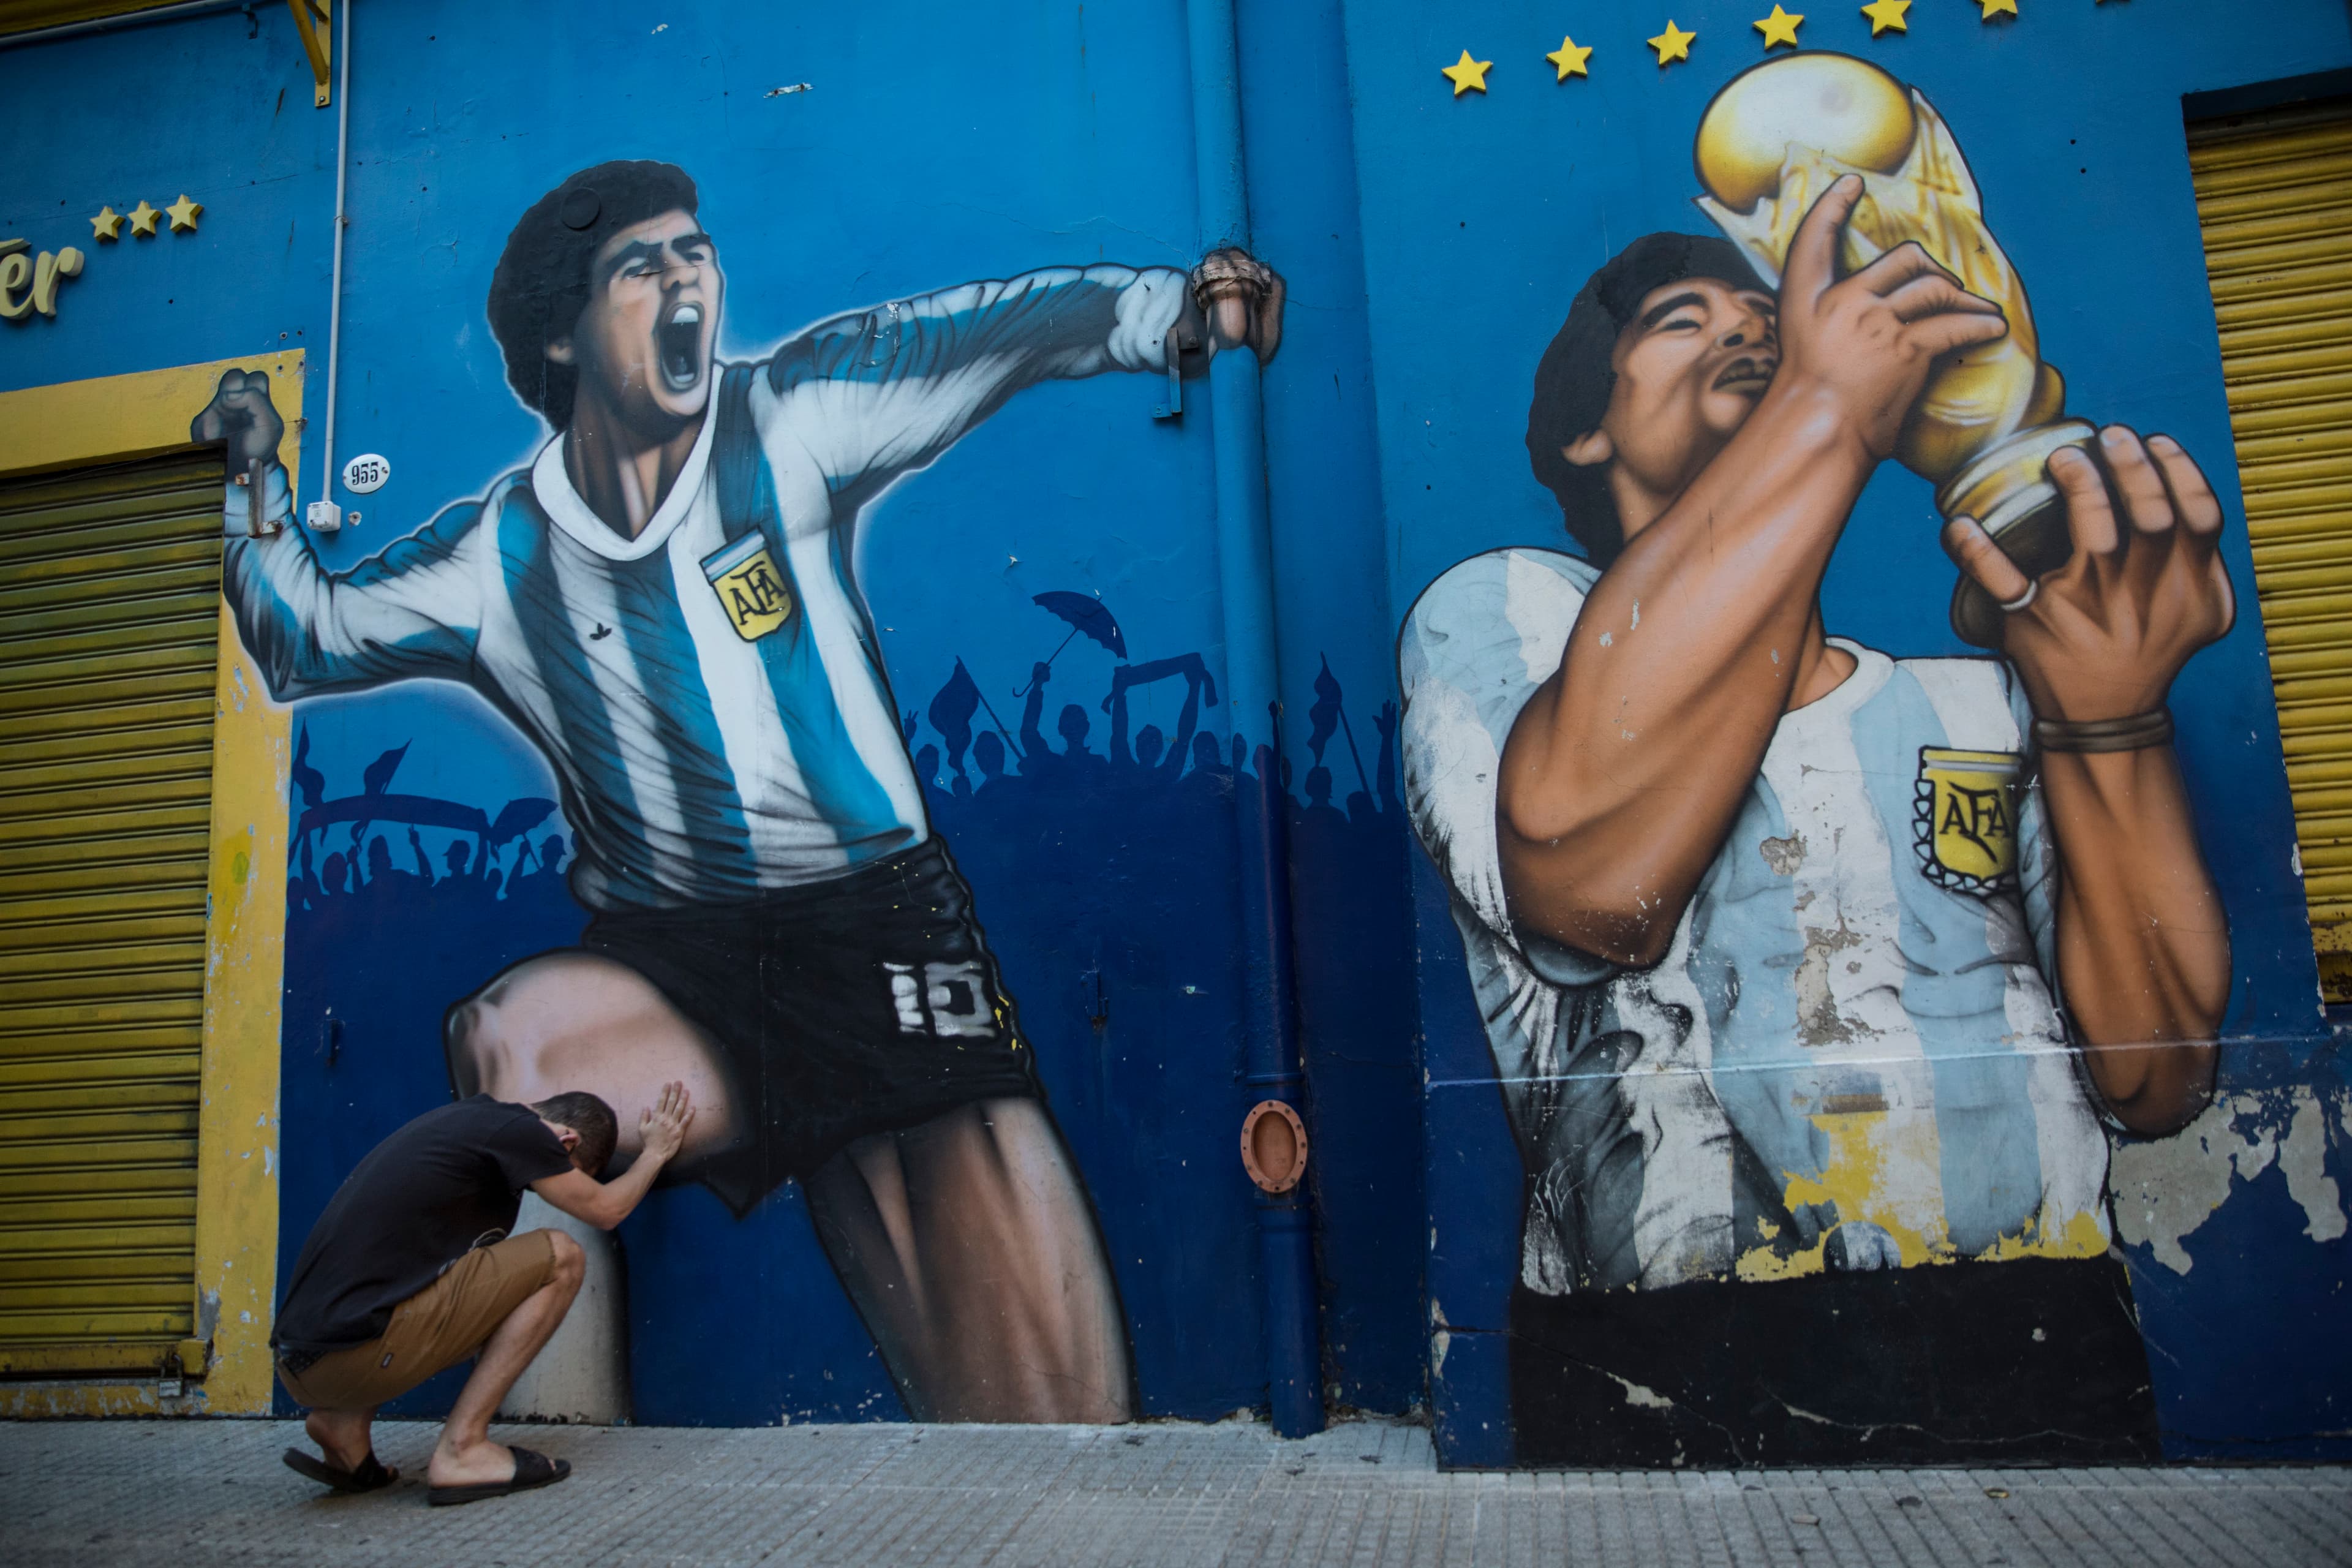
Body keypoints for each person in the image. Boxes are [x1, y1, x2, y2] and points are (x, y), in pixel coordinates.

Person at [194, 159, 1283, 1423]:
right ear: (562, 330)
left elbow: (995, 332)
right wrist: (251, 480)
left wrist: (1171, 308)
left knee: (1056, 1421)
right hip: (680, 968)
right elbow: (308, 633)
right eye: (642, 264)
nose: (687, 277)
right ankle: (547, 1460)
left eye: (694, 252)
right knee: (518, 1037)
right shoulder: (497, 558)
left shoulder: (795, 416)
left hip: (875, 927)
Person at [1397, 179, 2230, 1464]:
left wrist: (2109, 720)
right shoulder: (1502, 626)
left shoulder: (1976, 701)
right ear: (1584, 431)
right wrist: (1825, 406)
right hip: (1665, 1354)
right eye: (1686, 317)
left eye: (1772, 322)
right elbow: (1595, 883)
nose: (1755, 331)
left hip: (2041, 1328)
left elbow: (2156, 1071)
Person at [273, 1084, 695, 1505]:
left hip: (302, 1362)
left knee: (445, 1280)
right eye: (570, 1174)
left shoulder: (466, 1125)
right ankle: (464, 1449)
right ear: (567, 1140)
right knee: (562, 1257)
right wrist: (655, 1153)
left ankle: (342, 1424)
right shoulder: (522, 1132)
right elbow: (605, 1210)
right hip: (355, 1352)